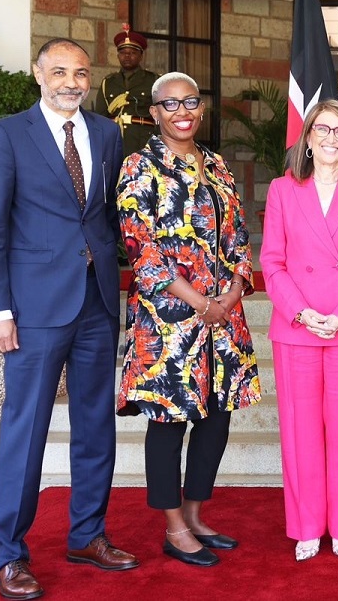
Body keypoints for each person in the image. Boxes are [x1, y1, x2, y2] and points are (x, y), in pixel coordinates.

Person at [0, 37, 138, 600]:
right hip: (33, 308)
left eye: (81, 73)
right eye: (61, 71)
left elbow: (106, 214)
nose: (72, 81)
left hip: (95, 301)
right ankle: (10, 555)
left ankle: (88, 534)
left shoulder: (107, 133)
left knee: (97, 425)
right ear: (39, 74)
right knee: (26, 430)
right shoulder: (7, 135)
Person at [117, 72, 260, 567]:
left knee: (217, 419)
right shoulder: (140, 166)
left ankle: (196, 514)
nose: (182, 111)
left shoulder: (217, 165)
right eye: (170, 103)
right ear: (154, 113)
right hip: (169, 323)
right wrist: (202, 303)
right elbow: (141, 249)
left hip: (224, 319)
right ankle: (173, 527)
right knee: (169, 422)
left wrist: (234, 289)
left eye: (191, 102)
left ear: (202, 109)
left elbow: (240, 237)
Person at [261, 100, 338, 562]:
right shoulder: (281, 189)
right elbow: (271, 261)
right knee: (301, 432)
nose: (332, 138)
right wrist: (300, 311)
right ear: (307, 138)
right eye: (323, 130)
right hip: (297, 328)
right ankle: (308, 526)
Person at [93, 24, 160, 154]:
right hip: (114, 142)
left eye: (132, 53)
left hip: (143, 143)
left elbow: (161, 117)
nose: (127, 56)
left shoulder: (153, 81)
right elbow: (100, 118)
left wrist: (156, 145)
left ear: (141, 56)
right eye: (123, 53)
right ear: (118, 56)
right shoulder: (108, 83)